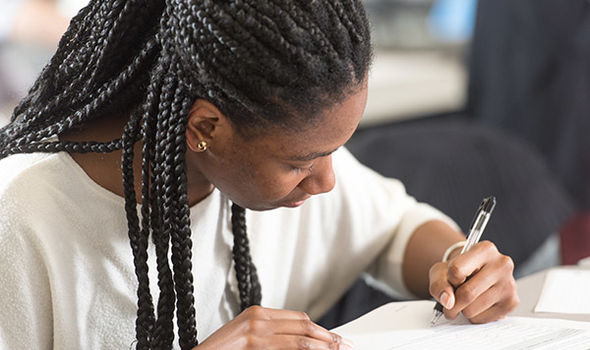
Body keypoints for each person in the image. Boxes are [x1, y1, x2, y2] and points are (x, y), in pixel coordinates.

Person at [0, 1, 518, 349]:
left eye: (335, 151)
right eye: (300, 162)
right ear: (205, 126)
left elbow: (395, 228)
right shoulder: (22, 218)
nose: (326, 183)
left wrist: (457, 263)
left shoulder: (269, 174)